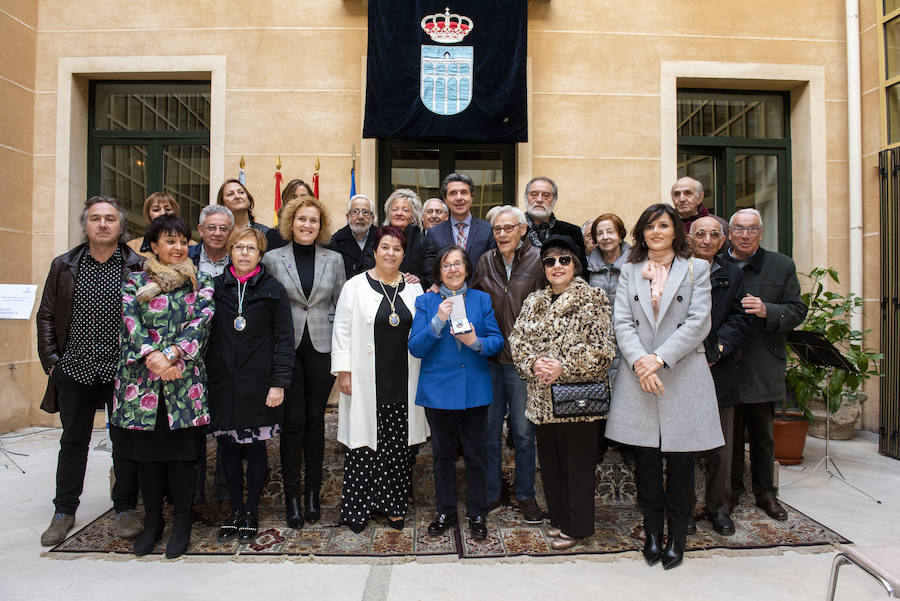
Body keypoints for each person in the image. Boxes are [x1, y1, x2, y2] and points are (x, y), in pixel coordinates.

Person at [605, 203, 724, 570]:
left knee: (682, 464)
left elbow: (698, 323)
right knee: (647, 464)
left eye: (663, 225)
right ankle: (653, 533)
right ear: (641, 233)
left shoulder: (696, 268)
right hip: (640, 377)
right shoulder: (629, 270)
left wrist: (658, 359)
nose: (656, 232)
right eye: (650, 227)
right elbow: (622, 321)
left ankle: (678, 537)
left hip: (682, 375)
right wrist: (642, 361)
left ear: (676, 231)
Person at [37, 196, 145, 547]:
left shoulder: (137, 266)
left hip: (121, 370)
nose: (102, 224)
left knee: (124, 442)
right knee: (73, 441)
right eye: (96, 218)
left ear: (120, 226)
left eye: (110, 219)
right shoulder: (64, 265)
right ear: (85, 225)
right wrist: (53, 362)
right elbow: (47, 316)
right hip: (76, 368)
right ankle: (63, 511)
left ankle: (126, 507)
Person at [110, 214, 215, 559]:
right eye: (170, 241)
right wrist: (153, 358)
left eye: (183, 241)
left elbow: (200, 326)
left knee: (183, 456)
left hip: (183, 383)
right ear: (153, 246)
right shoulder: (133, 283)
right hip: (142, 385)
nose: (178, 247)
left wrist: (172, 357)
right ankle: (153, 520)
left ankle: (181, 522)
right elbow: (130, 323)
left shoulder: (201, 284)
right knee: (148, 457)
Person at [509, 234, 616, 551]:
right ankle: (559, 519)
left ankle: (578, 526)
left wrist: (562, 367)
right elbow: (518, 341)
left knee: (576, 466)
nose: (557, 266)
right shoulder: (534, 300)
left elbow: (602, 351)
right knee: (552, 464)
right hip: (542, 398)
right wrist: (533, 364)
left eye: (564, 260)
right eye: (550, 261)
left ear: (576, 264)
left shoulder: (592, 298)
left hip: (578, 399)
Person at [331, 226, 429, 533]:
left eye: (397, 249)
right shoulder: (355, 286)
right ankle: (357, 509)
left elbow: (424, 330)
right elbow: (342, 331)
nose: (391, 253)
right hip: (364, 379)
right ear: (375, 251)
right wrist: (343, 372)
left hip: (403, 378)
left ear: (403, 254)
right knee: (362, 446)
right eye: (385, 247)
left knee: (397, 449)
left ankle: (393, 506)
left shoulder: (414, 288)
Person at [409, 246, 504, 541]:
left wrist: (476, 342)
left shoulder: (481, 299)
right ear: (439, 271)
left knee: (477, 455)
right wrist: (437, 321)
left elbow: (497, 341)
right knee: (442, 456)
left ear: (466, 269)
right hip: (439, 393)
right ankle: (446, 511)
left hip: (474, 391)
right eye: (447, 265)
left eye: (458, 264)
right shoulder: (426, 302)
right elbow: (415, 347)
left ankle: (477, 512)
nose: (452, 270)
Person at [206, 227, 294, 543]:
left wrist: (279, 383)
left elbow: (285, 339)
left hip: (259, 383)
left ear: (260, 254)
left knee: (256, 447)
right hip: (223, 383)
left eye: (251, 248)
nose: (244, 253)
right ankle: (235, 510)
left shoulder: (273, 290)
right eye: (239, 247)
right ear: (230, 251)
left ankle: (252, 509)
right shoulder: (214, 288)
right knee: (228, 448)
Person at [262, 195, 345, 528]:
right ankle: (292, 498)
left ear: (320, 224)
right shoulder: (271, 258)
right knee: (292, 423)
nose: (307, 225)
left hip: (322, 349)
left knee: (315, 422)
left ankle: (313, 493)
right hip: (286, 349)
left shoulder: (334, 259)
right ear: (290, 223)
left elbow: (340, 307)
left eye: (313, 220)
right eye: (301, 219)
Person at [725, 208, 808, 521]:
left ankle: (766, 494)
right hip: (726, 365)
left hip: (762, 364)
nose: (745, 235)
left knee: (762, 437)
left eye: (752, 229)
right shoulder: (717, 264)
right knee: (729, 437)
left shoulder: (781, 265)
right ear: (729, 233)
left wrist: (767, 310)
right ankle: (730, 492)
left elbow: (797, 311)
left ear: (761, 232)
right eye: (739, 229)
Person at [471, 205, 546, 523]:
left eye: (508, 228)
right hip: (490, 359)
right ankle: (490, 493)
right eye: (497, 230)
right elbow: (473, 300)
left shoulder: (540, 260)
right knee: (489, 432)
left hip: (521, 362)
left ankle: (526, 494)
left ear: (523, 229)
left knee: (523, 432)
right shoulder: (485, 261)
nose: (502, 234)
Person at [688, 216, 751, 537]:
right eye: (701, 234)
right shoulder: (677, 271)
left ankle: (719, 508)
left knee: (720, 446)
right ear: (689, 238)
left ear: (723, 240)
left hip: (719, 368)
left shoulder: (733, 275)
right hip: (682, 367)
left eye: (714, 234)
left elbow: (740, 317)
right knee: (680, 444)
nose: (707, 240)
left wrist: (718, 349)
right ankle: (682, 507)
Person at [423, 172, 496, 286]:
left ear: (472, 197)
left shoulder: (487, 230)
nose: (459, 198)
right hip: (445, 298)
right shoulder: (434, 233)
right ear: (445, 200)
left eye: (464, 192)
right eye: (453, 193)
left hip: (479, 297)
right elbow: (429, 270)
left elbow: (493, 268)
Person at [586, 213, 632, 389]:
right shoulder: (588, 266)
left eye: (610, 232)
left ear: (620, 235)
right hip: (598, 342)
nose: (605, 237)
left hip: (627, 337)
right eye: (600, 233)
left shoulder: (637, 264)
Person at [522, 177, 587, 271]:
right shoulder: (514, 230)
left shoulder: (572, 232)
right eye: (534, 194)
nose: (539, 199)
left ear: (554, 199)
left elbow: (581, 270)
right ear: (526, 197)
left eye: (546, 195)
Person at [329, 193, 377, 279]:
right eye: (355, 211)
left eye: (365, 212)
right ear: (348, 217)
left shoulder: (382, 238)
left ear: (372, 218)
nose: (360, 216)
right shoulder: (334, 241)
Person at [126, 192, 183, 258]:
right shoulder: (132, 246)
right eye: (156, 210)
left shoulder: (190, 245)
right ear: (148, 214)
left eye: (168, 209)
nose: (162, 213)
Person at [267, 178, 316, 251]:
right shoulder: (274, 235)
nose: (299, 201)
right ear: (286, 202)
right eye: (294, 197)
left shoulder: (317, 232)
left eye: (303, 197)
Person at [190, 205, 235, 276]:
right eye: (211, 227)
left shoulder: (238, 260)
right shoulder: (187, 256)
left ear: (231, 232)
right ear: (201, 230)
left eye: (223, 228)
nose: (217, 233)